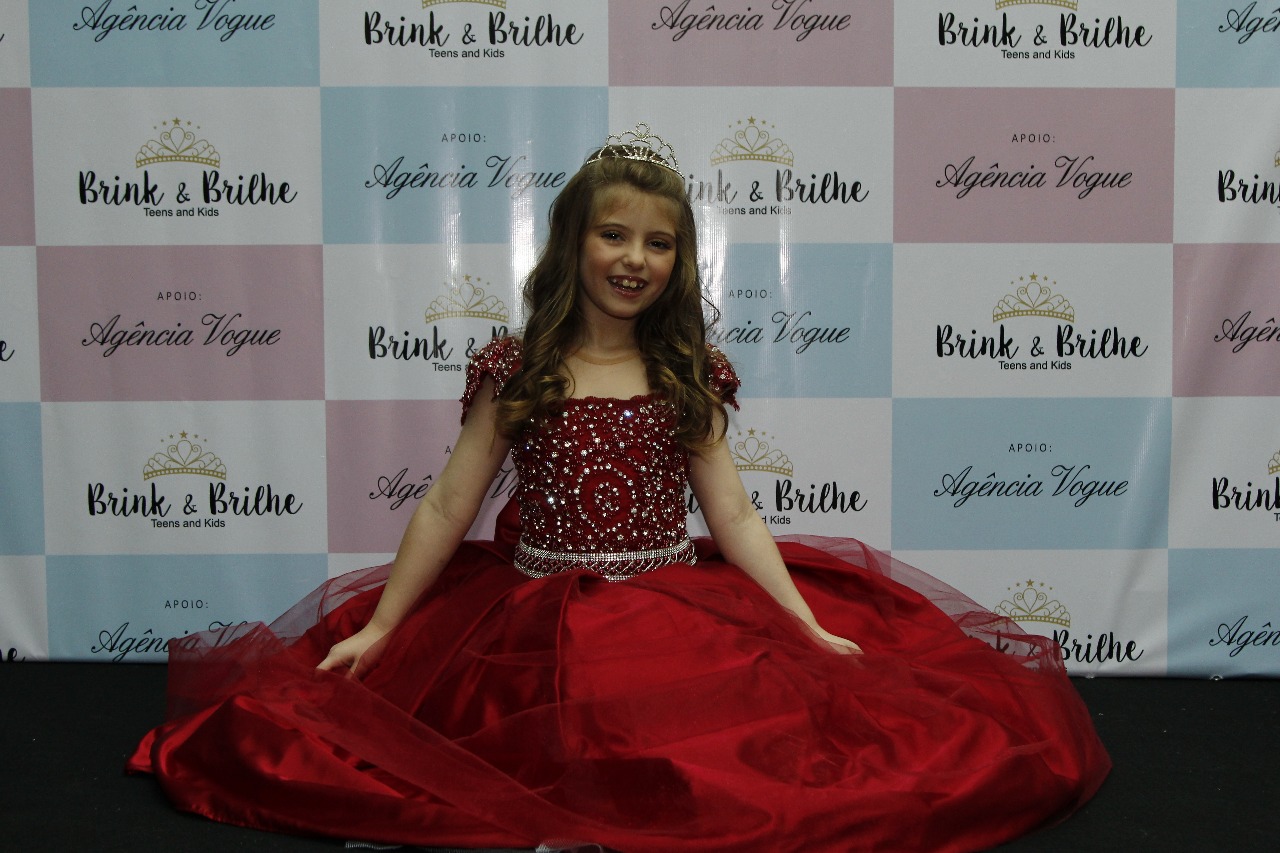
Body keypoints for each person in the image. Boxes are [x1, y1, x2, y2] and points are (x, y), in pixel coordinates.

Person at [129, 125, 1109, 853]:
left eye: (659, 243)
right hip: (527, 613)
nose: (635, 259)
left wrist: (803, 623)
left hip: (670, 605)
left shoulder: (687, 371)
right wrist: (386, 624)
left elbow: (731, 511)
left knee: (724, 764)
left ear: (680, 261)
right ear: (571, 243)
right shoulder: (519, 367)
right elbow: (449, 503)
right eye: (614, 235)